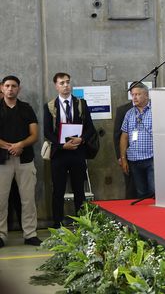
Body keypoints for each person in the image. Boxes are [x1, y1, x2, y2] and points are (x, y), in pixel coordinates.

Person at [44, 72, 97, 228]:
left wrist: (82, 139)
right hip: (59, 153)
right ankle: (57, 224)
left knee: (79, 189)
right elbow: (47, 132)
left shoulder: (81, 103)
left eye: (67, 82)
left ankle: (82, 223)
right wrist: (61, 146)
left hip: (77, 152)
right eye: (62, 83)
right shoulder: (50, 106)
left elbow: (90, 128)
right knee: (58, 190)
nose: (66, 85)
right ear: (56, 86)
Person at [0, 75, 41, 247]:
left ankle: (30, 234)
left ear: (19, 89)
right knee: (0, 200)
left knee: (28, 199)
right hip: (2, 161)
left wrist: (20, 145)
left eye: (14, 86)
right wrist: (8, 146)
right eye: (7, 85)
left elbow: (34, 134)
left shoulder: (26, 109)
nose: (10, 89)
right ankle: (1, 235)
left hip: (25, 159)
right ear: (2, 88)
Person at [119, 83, 154, 198]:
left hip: (151, 158)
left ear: (146, 95)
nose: (134, 97)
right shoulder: (129, 114)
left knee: (154, 191)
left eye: (138, 94)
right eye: (133, 95)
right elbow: (124, 136)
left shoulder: (155, 110)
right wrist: (123, 159)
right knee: (141, 193)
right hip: (134, 160)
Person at [114, 99, 137, 199]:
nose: (136, 96)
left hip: (148, 155)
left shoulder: (152, 109)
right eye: (134, 94)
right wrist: (120, 157)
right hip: (128, 155)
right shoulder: (123, 110)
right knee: (131, 187)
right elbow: (117, 135)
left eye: (138, 94)